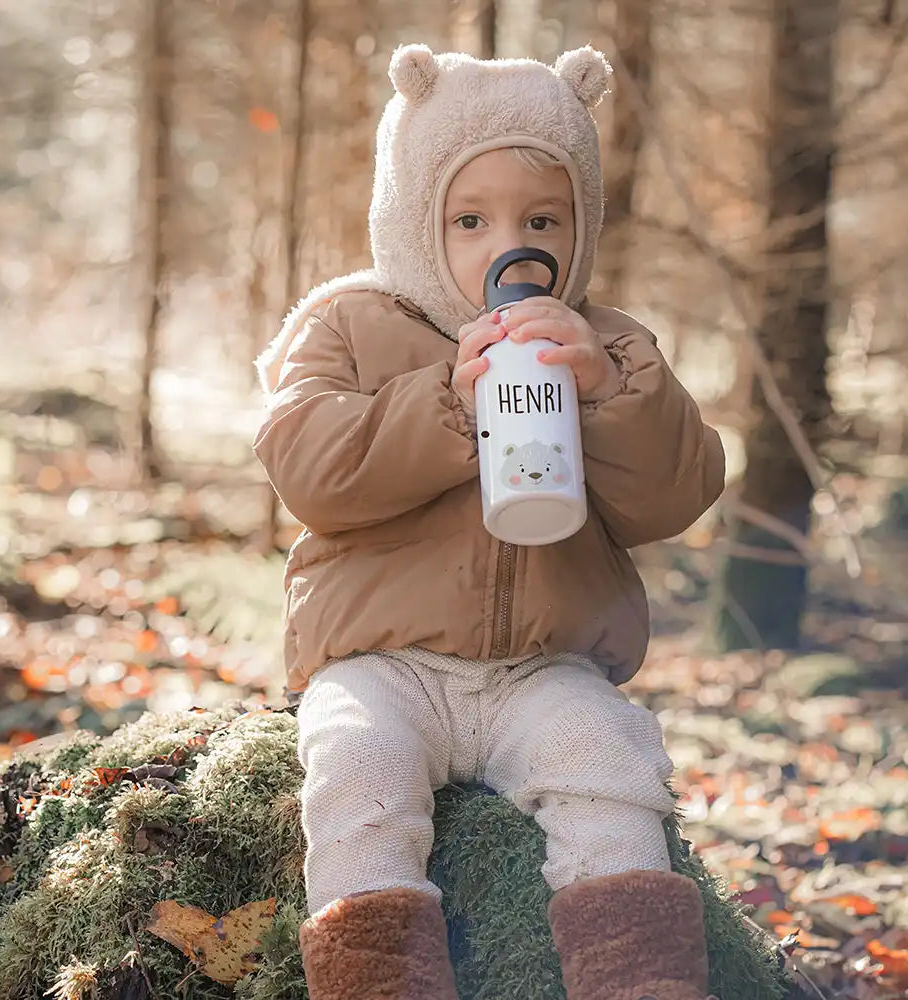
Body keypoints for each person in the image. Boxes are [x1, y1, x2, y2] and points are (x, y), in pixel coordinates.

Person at [253, 42, 725, 1000]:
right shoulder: (349, 326)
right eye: (470, 218)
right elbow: (308, 467)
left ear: (580, 227)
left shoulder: (609, 343)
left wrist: (605, 390)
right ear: (415, 218)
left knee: (610, 762)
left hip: (543, 668)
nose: (507, 244)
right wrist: (444, 400)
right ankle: (379, 980)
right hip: (382, 662)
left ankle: (641, 978)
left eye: (541, 218)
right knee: (357, 770)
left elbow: (679, 490)